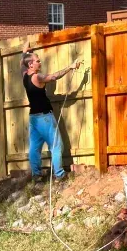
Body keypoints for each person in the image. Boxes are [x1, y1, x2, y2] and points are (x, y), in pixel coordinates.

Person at [21, 50, 82, 181]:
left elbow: (22, 63)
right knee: (56, 145)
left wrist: (25, 52)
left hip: (34, 118)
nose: (40, 62)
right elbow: (54, 77)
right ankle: (59, 174)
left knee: (34, 148)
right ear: (31, 64)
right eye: (37, 61)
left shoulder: (24, 76)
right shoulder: (36, 77)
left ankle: (36, 175)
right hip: (45, 118)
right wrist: (70, 67)